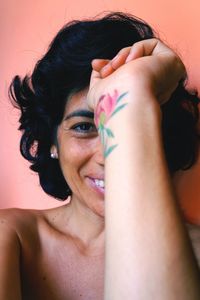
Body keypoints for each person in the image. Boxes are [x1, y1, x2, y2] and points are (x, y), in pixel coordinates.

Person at [1, 11, 200, 299]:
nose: (109, 157)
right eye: (83, 127)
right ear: (51, 142)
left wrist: (132, 93)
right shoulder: (10, 237)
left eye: (127, 124)